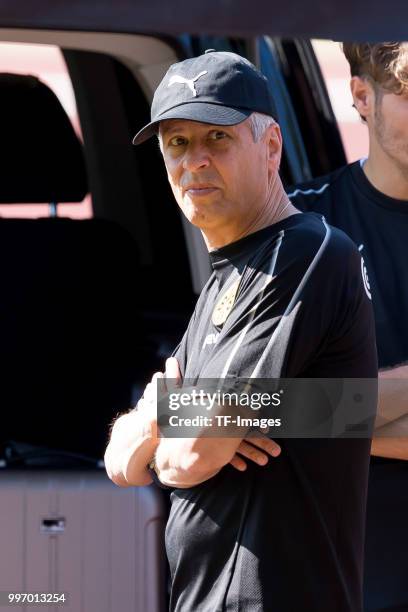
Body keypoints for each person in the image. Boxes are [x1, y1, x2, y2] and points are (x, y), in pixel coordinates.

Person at [104, 50, 377, 611]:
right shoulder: (226, 277)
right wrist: (170, 418)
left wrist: (161, 415)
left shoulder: (303, 254)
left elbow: (193, 455)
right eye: (177, 143)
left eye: (217, 139)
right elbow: (116, 462)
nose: (194, 161)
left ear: (271, 145)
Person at [287, 42, 408, 611]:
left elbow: (274, 416)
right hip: (339, 567)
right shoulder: (302, 230)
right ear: (362, 95)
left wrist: (317, 420)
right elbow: (254, 411)